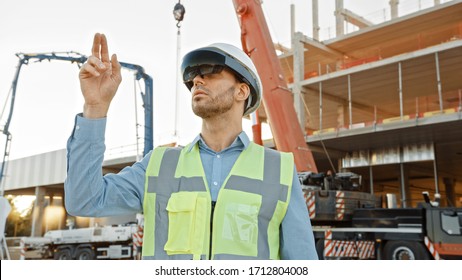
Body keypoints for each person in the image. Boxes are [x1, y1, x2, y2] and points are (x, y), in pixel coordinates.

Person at [65, 33, 318, 260]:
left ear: (242, 91)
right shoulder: (158, 165)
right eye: (194, 76)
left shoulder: (279, 170)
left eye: (210, 72)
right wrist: (95, 109)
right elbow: (83, 201)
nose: (197, 79)